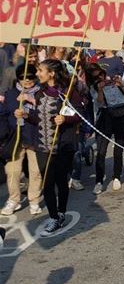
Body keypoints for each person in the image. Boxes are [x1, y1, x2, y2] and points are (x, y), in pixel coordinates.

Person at [28, 60, 87, 236]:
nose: (37, 74)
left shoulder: (67, 92)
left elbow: (80, 115)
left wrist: (65, 119)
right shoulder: (40, 92)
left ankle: (61, 212)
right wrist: (26, 115)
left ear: (51, 73)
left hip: (63, 145)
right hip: (42, 145)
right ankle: (53, 217)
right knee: (47, 183)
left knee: (61, 181)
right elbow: (38, 119)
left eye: (40, 70)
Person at [0, 64, 43, 215]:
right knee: (12, 170)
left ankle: (34, 200)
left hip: (34, 137)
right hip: (15, 138)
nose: (27, 80)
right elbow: (3, 114)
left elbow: (45, 116)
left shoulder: (42, 93)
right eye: (23, 78)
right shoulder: (11, 94)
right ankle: (14, 200)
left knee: (35, 171)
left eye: (30, 77)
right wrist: (6, 131)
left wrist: (32, 102)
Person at [86, 63, 124, 194]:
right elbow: (99, 102)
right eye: (97, 77)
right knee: (101, 151)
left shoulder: (116, 80)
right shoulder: (93, 87)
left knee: (118, 149)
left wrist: (122, 86)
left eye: (101, 74)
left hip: (121, 116)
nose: (101, 78)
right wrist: (100, 89)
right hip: (105, 118)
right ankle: (99, 181)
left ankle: (117, 176)